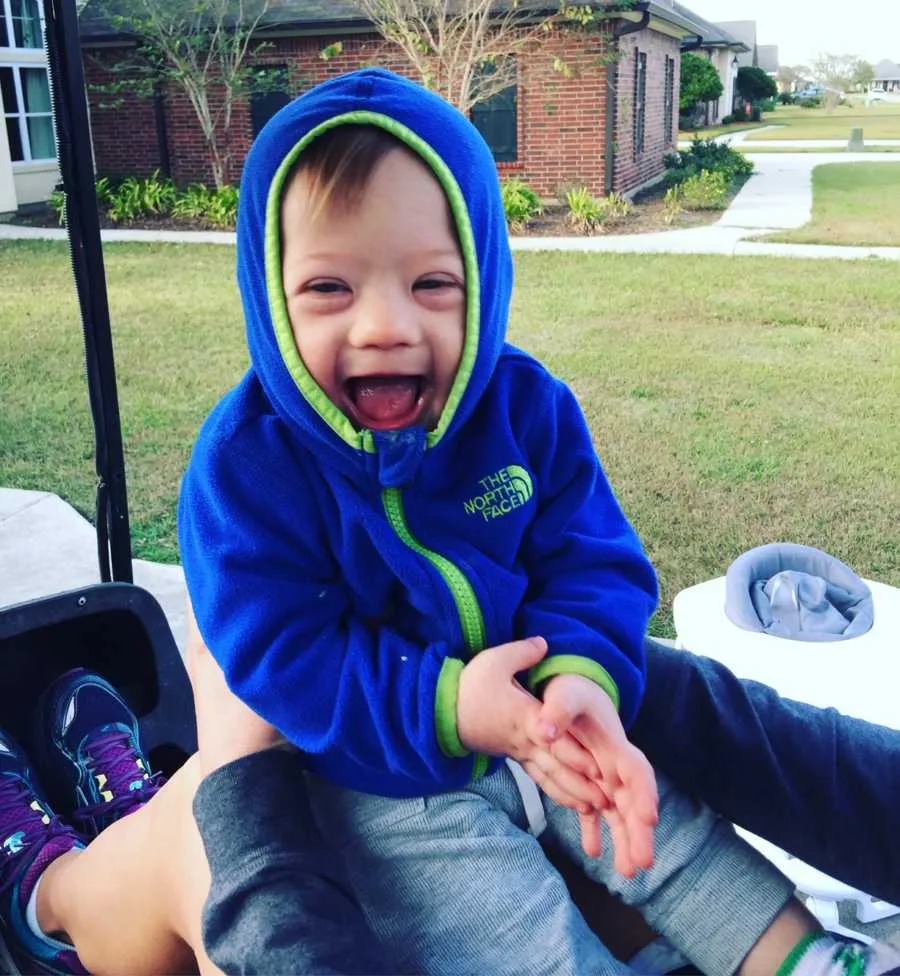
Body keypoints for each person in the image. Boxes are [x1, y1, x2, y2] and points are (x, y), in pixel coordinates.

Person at [171, 66, 898, 976]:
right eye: (329, 288)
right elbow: (279, 650)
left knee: (663, 831)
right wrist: (446, 706)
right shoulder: (248, 466)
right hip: (388, 784)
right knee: (511, 925)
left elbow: (592, 559)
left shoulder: (524, 409)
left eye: (433, 283)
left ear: (485, 279)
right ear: (267, 294)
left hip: (550, 717)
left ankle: (807, 958)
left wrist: (583, 675)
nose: (385, 325)